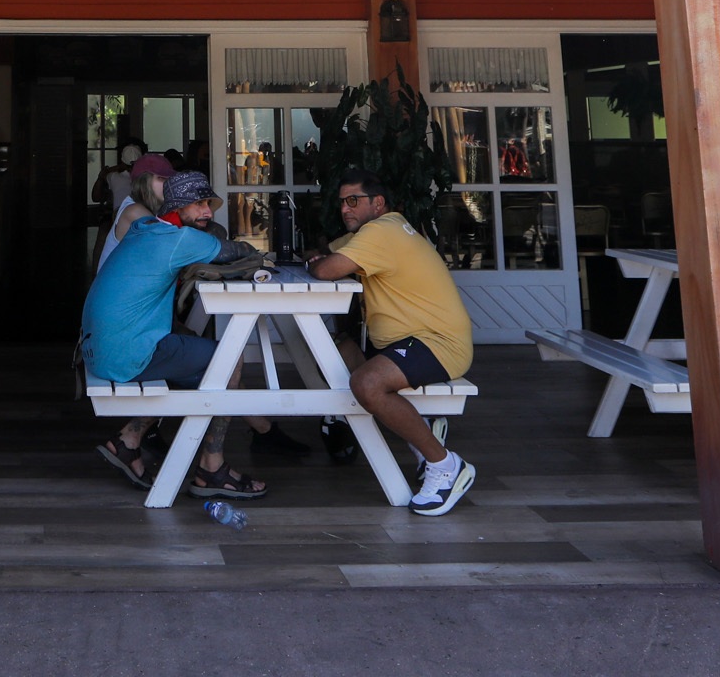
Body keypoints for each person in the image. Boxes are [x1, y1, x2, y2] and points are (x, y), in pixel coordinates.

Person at [82, 171, 268, 501]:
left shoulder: (147, 228)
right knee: (228, 360)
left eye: (208, 204)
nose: (208, 212)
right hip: (126, 353)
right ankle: (212, 466)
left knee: (196, 363)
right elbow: (236, 250)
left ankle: (129, 439)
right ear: (177, 206)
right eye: (198, 205)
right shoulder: (180, 240)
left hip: (99, 349)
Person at [304, 168, 478, 517]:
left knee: (366, 383)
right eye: (341, 202)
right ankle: (422, 434)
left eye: (354, 201)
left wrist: (318, 261)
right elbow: (328, 252)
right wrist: (321, 255)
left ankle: (446, 465)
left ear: (378, 203)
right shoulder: (378, 231)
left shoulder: (381, 231)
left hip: (437, 343)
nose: (345, 209)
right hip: (406, 340)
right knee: (340, 350)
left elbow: (325, 268)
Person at [95, 152, 174, 274]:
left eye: (170, 179)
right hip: (117, 290)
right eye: (161, 178)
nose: (168, 184)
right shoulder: (134, 211)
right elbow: (171, 244)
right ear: (143, 182)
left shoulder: (148, 208)